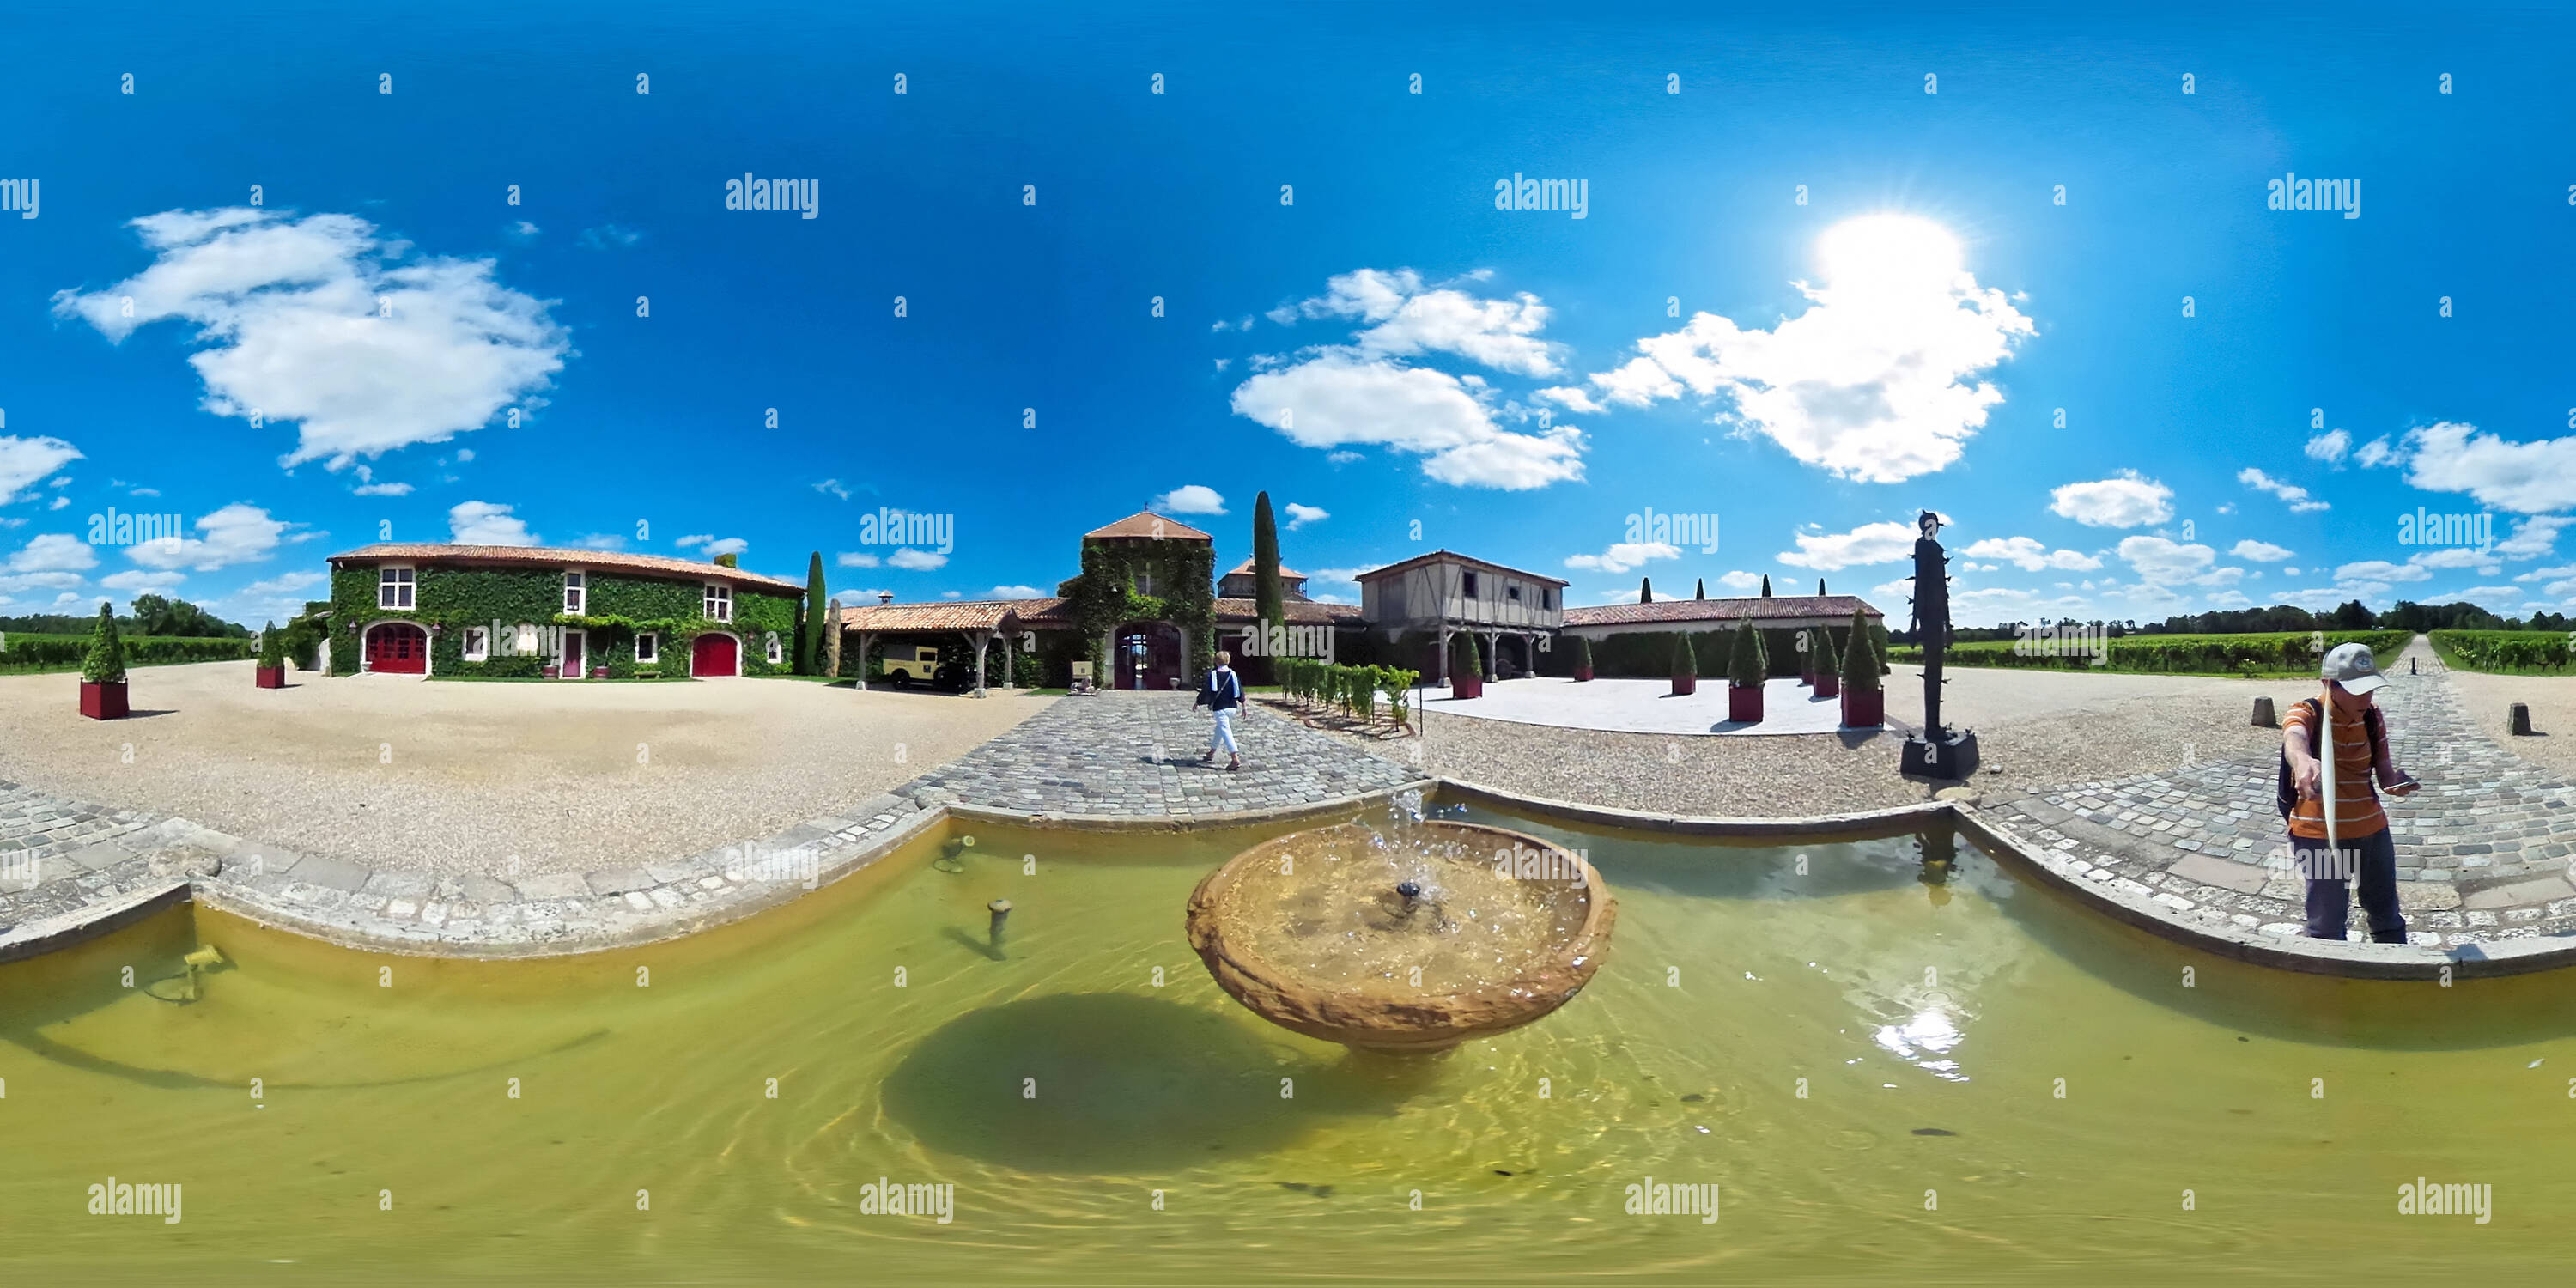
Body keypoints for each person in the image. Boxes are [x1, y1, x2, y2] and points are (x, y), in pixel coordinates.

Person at [2280, 642, 2421, 942]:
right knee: (2326, 925)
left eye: (2370, 688)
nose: (2367, 697)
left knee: (2386, 915)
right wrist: (2303, 760)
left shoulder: (2372, 716)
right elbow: (2294, 735)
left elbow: (2384, 774)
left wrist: (2397, 782)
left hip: (2373, 830)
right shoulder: (2307, 711)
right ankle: (2327, 980)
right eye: (2357, 689)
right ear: (2328, 683)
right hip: (2319, 835)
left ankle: (2393, 971)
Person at [1197, 650, 1243, 771]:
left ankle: (1235, 758)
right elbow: (1240, 690)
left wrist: (1198, 702)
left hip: (1220, 708)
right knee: (1220, 729)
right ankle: (1211, 753)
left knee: (1226, 731)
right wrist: (1244, 706)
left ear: (1216, 662)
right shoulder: (1233, 674)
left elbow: (1206, 691)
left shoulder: (1213, 675)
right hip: (1232, 708)